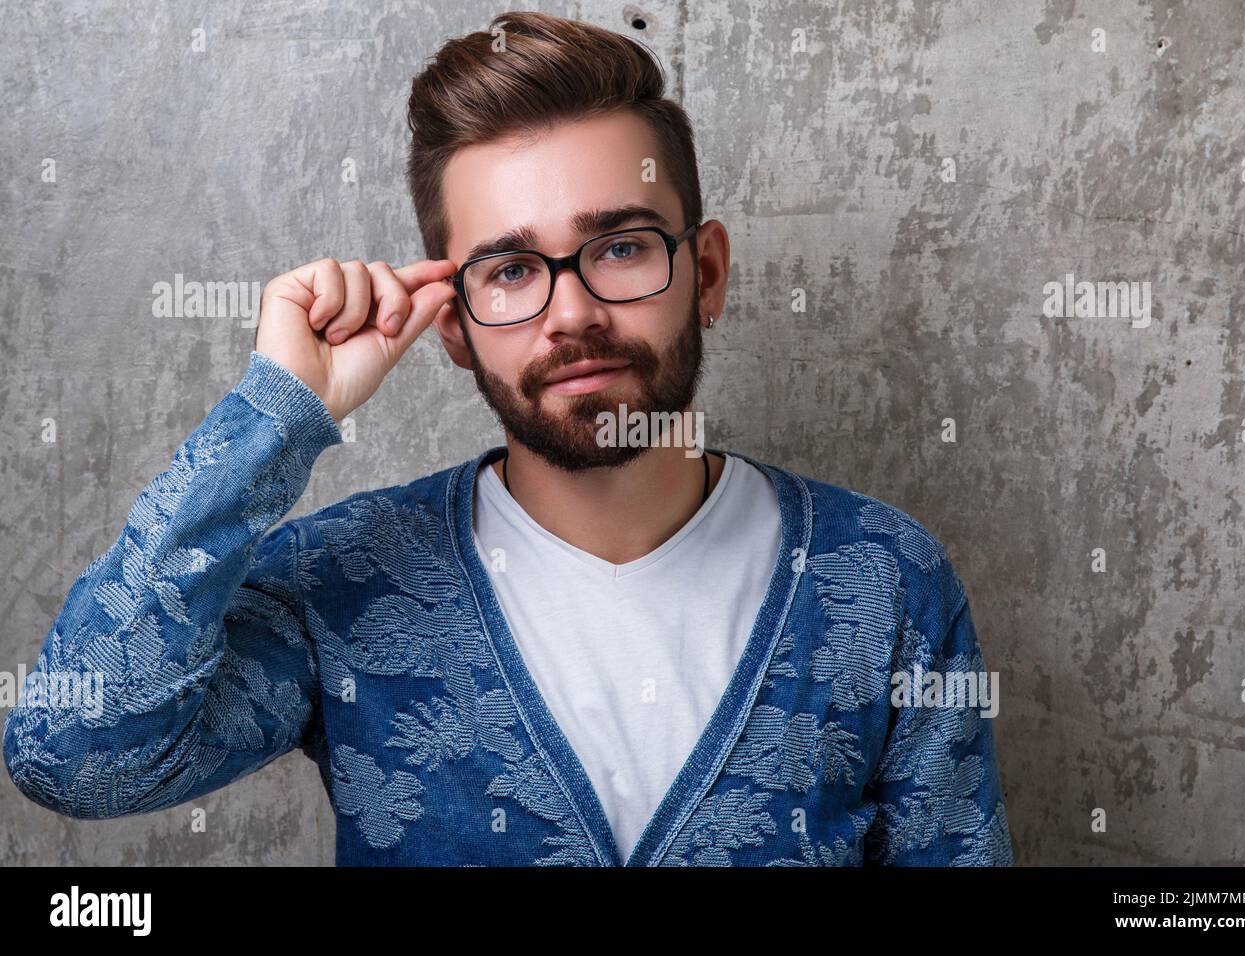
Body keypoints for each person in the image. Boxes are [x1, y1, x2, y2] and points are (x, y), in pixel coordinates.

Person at [3, 10, 1012, 867]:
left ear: (705, 270)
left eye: (620, 246)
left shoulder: (883, 578)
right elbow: (70, 754)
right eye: (510, 271)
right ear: (450, 321)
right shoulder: (347, 581)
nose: (570, 313)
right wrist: (276, 414)